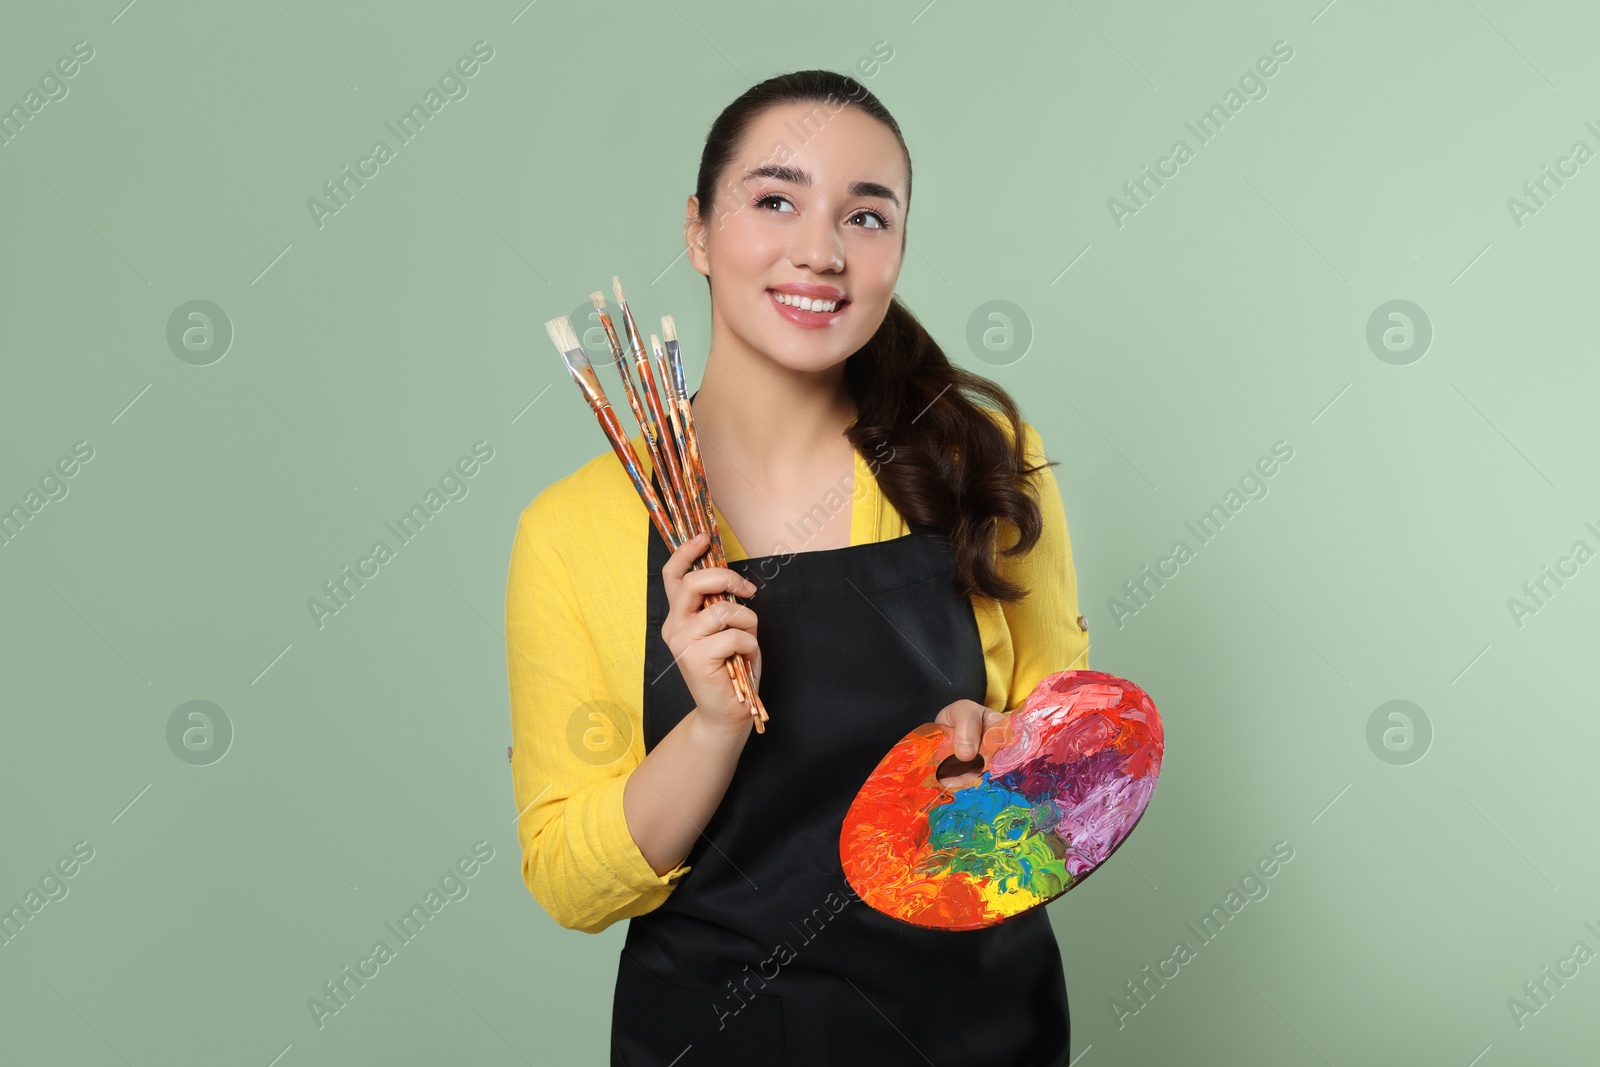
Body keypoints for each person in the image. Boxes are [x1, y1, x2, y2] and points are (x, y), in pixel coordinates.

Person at [505, 68, 1090, 1066]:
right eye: (775, 200)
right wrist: (715, 725)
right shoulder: (574, 529)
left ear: (898, 247)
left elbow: (1075, 796)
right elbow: (569, 879)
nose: (818, 251)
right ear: (696, 229)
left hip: (975, 1032)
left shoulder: (979, 461)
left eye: (866, 218)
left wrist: (998, 768)